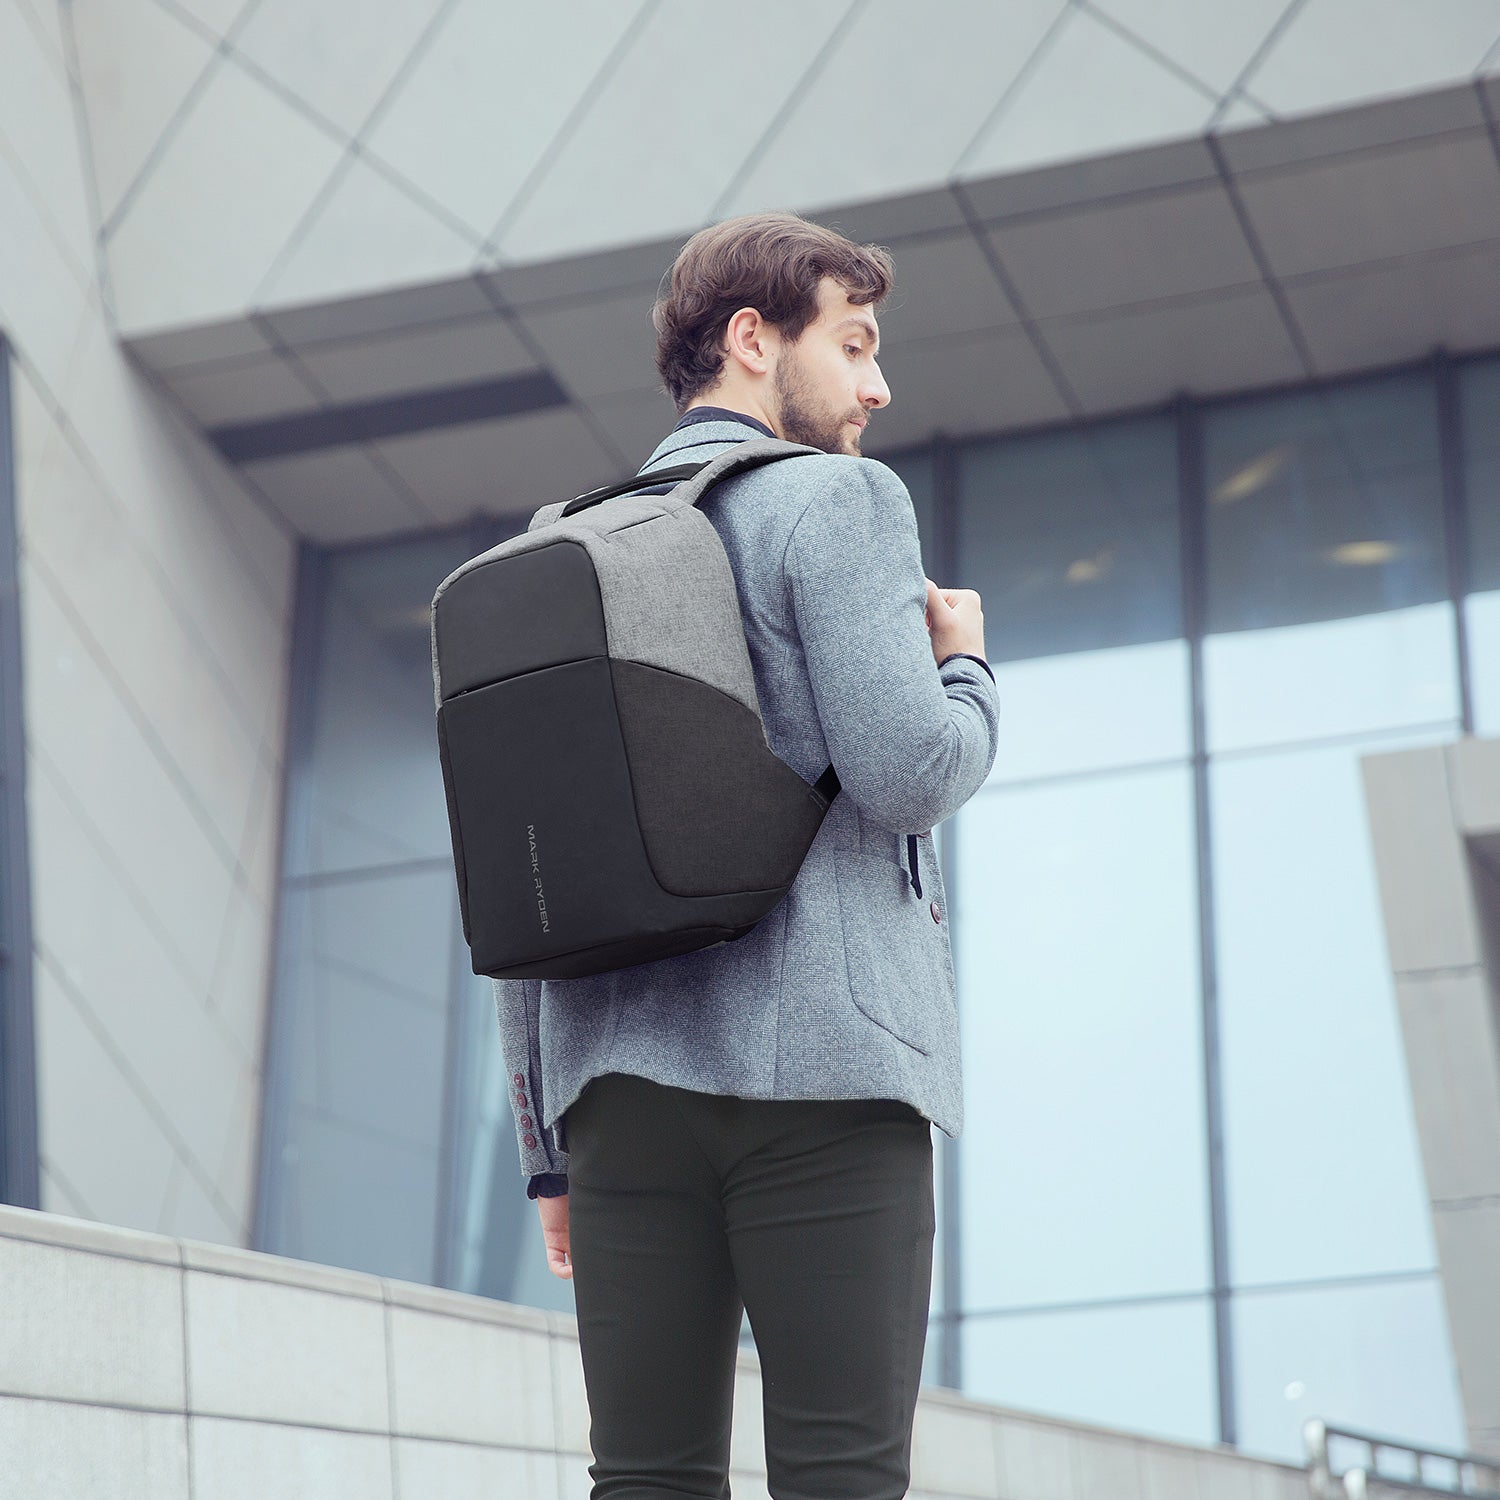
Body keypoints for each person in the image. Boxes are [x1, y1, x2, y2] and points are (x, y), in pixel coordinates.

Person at [494, 209, 999, 1498]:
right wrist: (967, 667)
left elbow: (521, 878)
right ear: (753, 340)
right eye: (857, 344)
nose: (879, 385)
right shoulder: (838, 502)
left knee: (645, 1479)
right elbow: (909, 775)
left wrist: (549, 1146)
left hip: (619, 1101)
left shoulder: (558, 550)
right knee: (840, 1474)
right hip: (827, 1088)